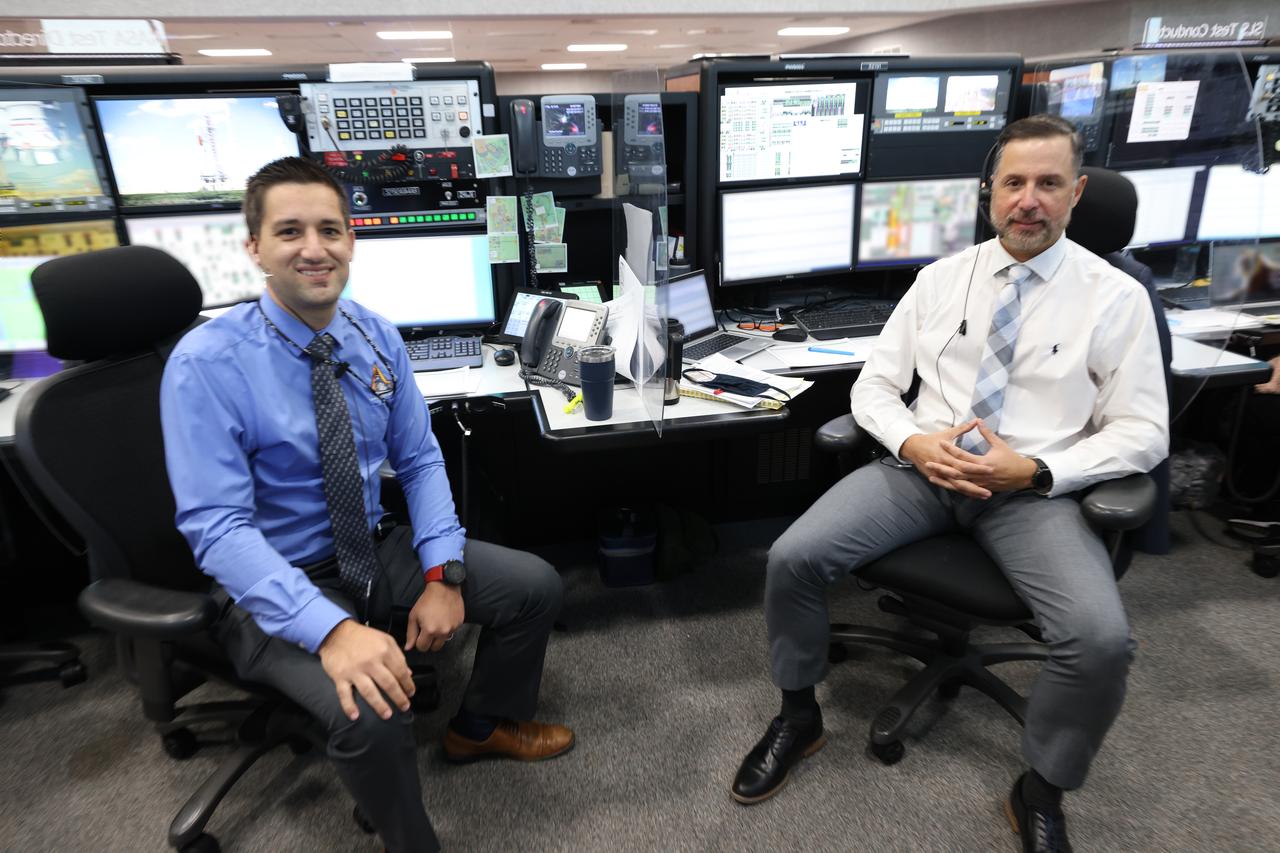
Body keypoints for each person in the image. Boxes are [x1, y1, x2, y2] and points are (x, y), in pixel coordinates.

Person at [732, 115, 1168, 853]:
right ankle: (799, 715)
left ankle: (1041, 787)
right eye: (1014, 183)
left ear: (1076, 192)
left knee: (1099, 639)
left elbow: (1144, 431)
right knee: (792, 559)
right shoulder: (939, 279)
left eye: (1048, 184)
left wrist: (1036, 468)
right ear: (988, 194)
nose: (1029, 200)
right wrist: (912, 439)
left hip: (1032, 493)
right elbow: (874, 386)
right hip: (920, 473)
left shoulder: (1113, 297)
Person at [160, 156, 573, 853]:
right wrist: (330, 630)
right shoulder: (206, 363)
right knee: (371, 712)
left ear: (352, 240)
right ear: (254, 247)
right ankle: (411, 841)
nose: (314, 248)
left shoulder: (374, 335)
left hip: (373, 546)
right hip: (275, 580)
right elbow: (219, 528)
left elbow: (419, 459)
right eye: (290, 230)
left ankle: (480, 726)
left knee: (533, 585)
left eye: (330, 229)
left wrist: (442, 574)